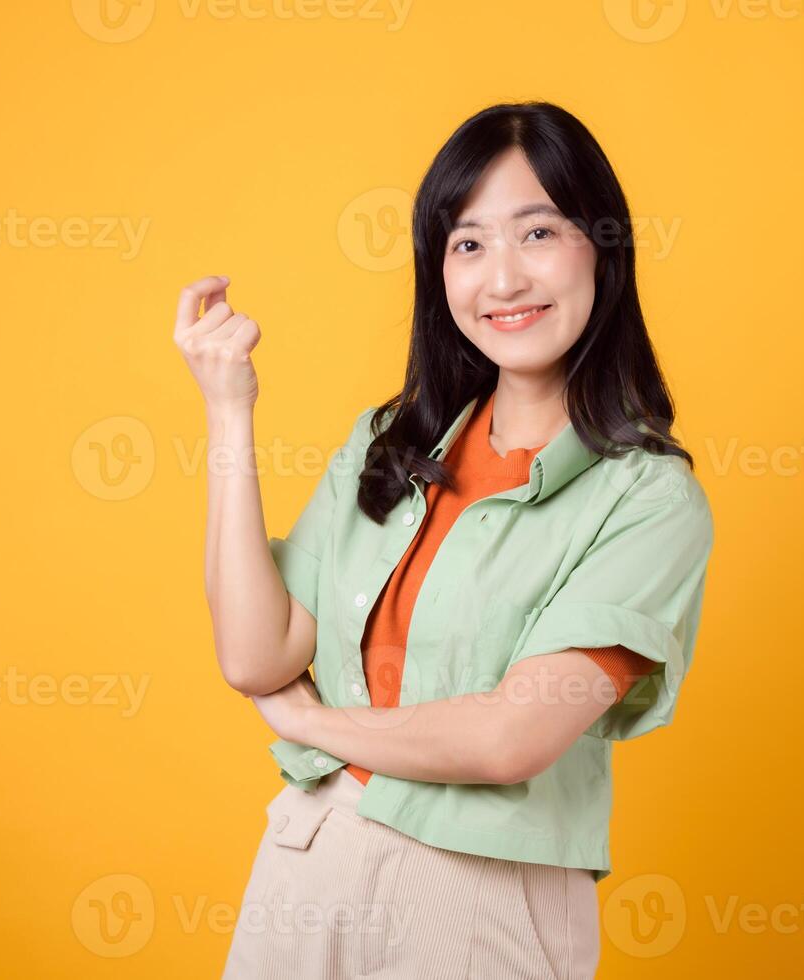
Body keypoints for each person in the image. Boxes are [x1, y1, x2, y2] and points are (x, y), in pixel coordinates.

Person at [174, 100, 714, 979]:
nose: (502, 280)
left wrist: (313, 723)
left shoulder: (648, 499)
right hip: (306, 859)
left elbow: (509, 741)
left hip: (478, 897)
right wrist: (228, 411)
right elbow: (255, 653)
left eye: (537, 233)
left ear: (600, 250)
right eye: (468, 244)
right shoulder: (391, 441)